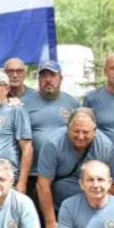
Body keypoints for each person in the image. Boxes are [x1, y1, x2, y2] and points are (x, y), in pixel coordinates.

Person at [37, 108, 114, 228]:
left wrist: (100, 210)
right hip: (60, 209)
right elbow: (43, 185)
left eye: (86, 132)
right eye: (76, 131)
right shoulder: (53, 143)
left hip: (93, 209)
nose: (80, 136)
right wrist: (50, 222)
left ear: (95, 130)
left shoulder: (106, 147)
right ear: (67, 128)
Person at [20, 60, 79, 208]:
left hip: (64, 174)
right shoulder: (23, 104)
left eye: (52, 75)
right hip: (34, 174)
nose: (48, 80)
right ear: (38, 79)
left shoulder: (73, 103)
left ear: (60, 78)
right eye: (44, 75)